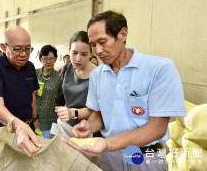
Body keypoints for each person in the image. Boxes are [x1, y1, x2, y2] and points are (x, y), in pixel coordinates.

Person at [65, 11, 186, 171]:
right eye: (93, 45)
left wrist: (108, 143)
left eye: (103, 41)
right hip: (108, 158)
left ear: (122, 34)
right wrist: (88, 126)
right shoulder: (97, 75)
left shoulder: (159, 69)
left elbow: (157, 127)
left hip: (143, 157)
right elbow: (99, 115)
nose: (98, 51)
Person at [0, 26, 42, 157]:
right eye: (17, 49)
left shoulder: (30, 67)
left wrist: (35, 120)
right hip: (1, 129)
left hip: (27, 125)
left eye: (27, 49)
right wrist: (16, 125)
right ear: (4, 47)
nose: (24, 54)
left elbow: (32, 95)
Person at [55, 31, 97, 137]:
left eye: (84, 54)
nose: (78, 59)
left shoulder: (98, 74)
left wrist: (72, 112)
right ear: (69, 51)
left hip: (86, 127)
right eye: (74, 53)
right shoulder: (66, 69)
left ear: (91, 53)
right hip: (65, 123)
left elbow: (96, 110)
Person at [36, 45, 63, 139]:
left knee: (50, 147)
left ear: (55, 59)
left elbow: (61, 100)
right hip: (35, 120)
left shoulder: (59, 78)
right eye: (45, 59)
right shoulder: (35, 75)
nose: (48, 61)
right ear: (40, 59)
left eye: (51, 59)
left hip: (52, 121)